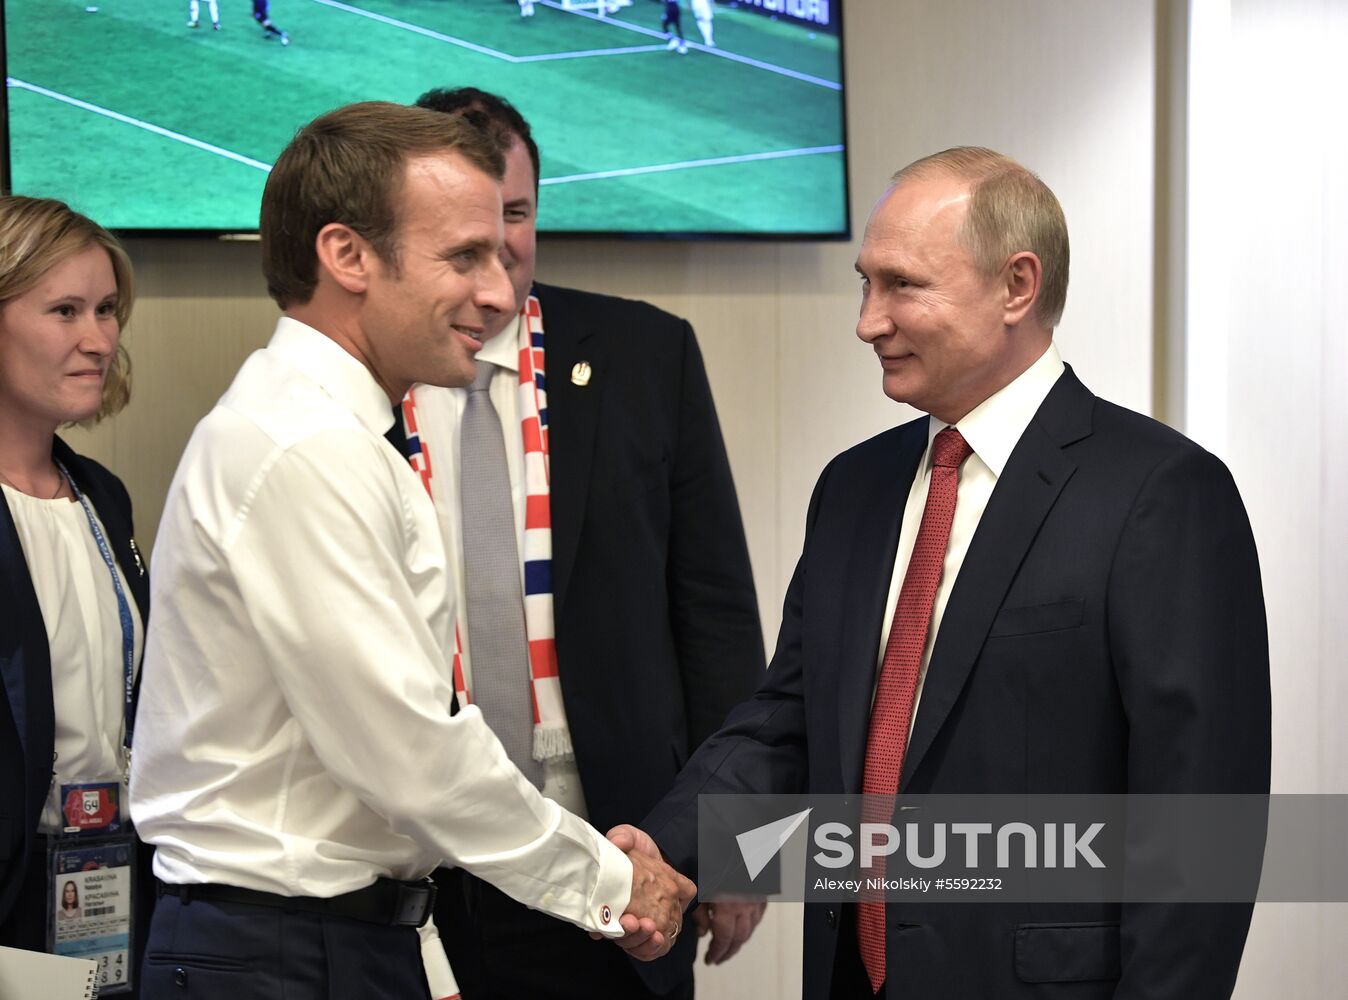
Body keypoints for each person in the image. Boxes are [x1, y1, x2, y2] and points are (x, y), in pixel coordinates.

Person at [627, 147, 1272, 997]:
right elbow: (790, 719)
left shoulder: (1161, 493)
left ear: (1017, 286)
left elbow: (1200, 830)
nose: (867, 320)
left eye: (902, 286)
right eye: (866, 283)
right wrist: (665, 849)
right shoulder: (854, 488)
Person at [129, 101, 694, 1000]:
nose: (501, 293)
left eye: (500, 250)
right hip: (281, 950)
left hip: (327, 937)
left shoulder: (330, 431)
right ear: (347, 254)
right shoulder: (303, 446)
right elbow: (409, 750)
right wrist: (615, 884)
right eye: (462, 256)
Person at [391, 86, 766, 1000]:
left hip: (623, 857)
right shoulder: (360, 374)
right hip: (414, 875)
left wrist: (744, 848)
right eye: (467, 221)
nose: (499, 243)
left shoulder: (647, 352)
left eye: (515, 212)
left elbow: (715, 610)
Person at [0, 195, 151, 988]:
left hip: (109, 884)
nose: (98, 340)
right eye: (64, 310)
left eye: (106, 310)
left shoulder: (101, 494)